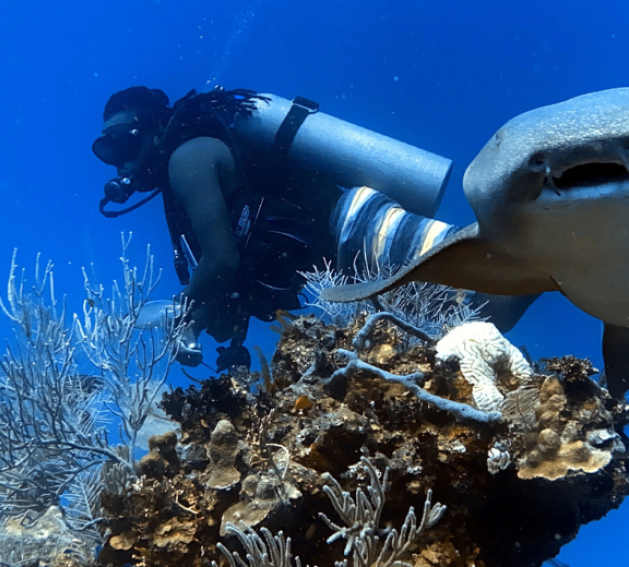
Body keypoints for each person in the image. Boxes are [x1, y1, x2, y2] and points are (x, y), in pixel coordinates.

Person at [92, 85, 482, 370]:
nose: (118, 165)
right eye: (107, 153)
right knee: (474, 319)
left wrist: (185, 308)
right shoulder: (189, 166)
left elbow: (221, 260)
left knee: (488, 273)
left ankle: (540, 235)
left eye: (121, 145)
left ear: (153, 130)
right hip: (353, 258)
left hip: (358, 228)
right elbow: (239, 259)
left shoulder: (187, 158)